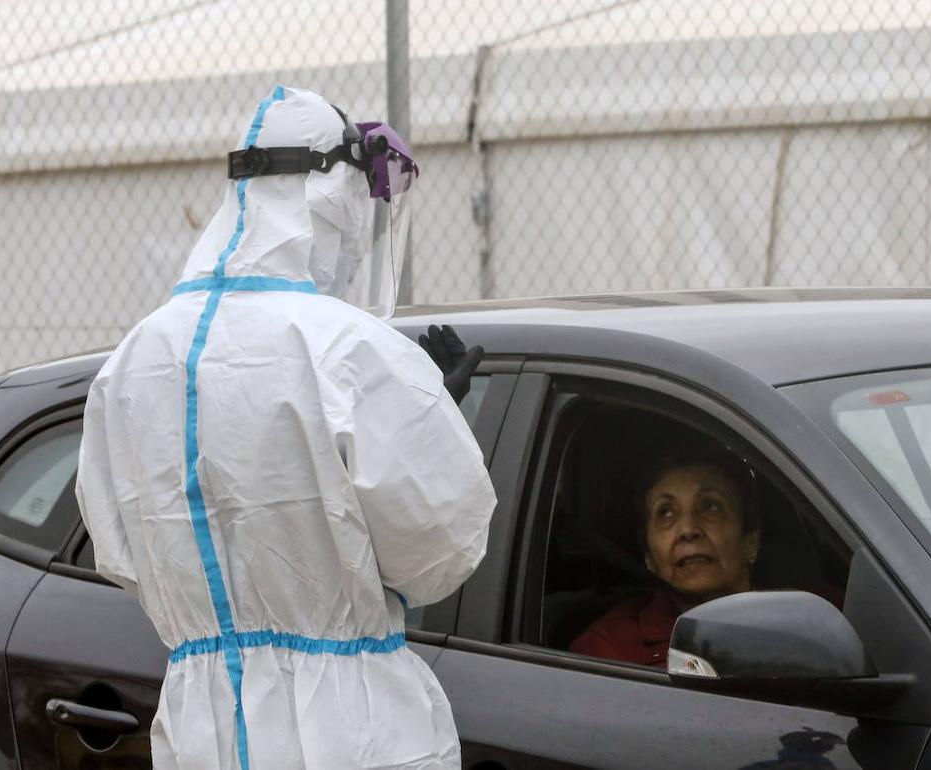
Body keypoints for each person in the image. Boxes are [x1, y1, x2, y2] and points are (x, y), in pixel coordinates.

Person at [76, 86, 496, 769]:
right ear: (335, 196)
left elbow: (122, 554)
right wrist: (432, 425)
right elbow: (441, 554)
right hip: (354, 733)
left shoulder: (133, 361)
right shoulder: (350, 350)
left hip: (199, 730)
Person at [569, 441, 760, 667]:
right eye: (666, 512)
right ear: (648, 556)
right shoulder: (608, 651)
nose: (688, 530)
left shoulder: (801, 630)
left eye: (710, 506)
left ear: (750, 541)